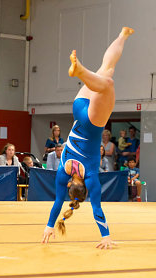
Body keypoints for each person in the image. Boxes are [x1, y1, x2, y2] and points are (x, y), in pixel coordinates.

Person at [42, 27, 134, 249]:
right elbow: (57, 203)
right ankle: (123, 35)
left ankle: (81, 70)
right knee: (107, 70)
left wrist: (106, 237)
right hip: (78, 109)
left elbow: (97, 207)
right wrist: (49, 226)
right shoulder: (63, 171)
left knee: (108, 84)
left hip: (92, 123)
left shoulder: (91, 175)